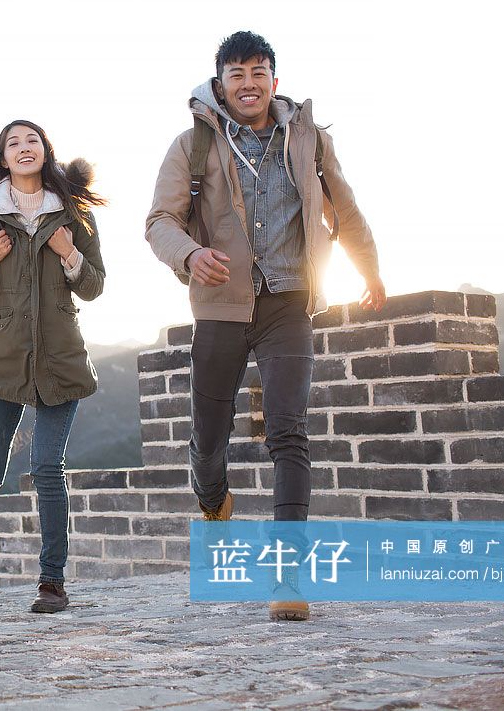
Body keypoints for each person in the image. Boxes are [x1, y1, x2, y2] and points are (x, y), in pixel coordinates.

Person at [146, 31, 385, 621]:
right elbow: (158, 221)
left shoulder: (309, 139)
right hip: (221, 305)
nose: (248, 83)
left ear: (274, 80)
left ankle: (289, 575)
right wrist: (189, 255)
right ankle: (212, 494)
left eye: (259, 72)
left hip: (289, 301)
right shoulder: (192, 143)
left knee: (288, 429)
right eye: (236, 74)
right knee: (209, 435)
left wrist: (370, 272)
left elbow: (345, 210)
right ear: (221, 85)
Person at [0, 119, 106, 614]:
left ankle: (51, 582)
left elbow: (94, 284)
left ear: (45, 151)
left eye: (32, 139)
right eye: (13, 142)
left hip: (61, 361)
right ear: (2, 157)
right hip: (6, 361)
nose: (23, 147)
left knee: (46, 467)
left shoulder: (72, 213)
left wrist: (70, 252)